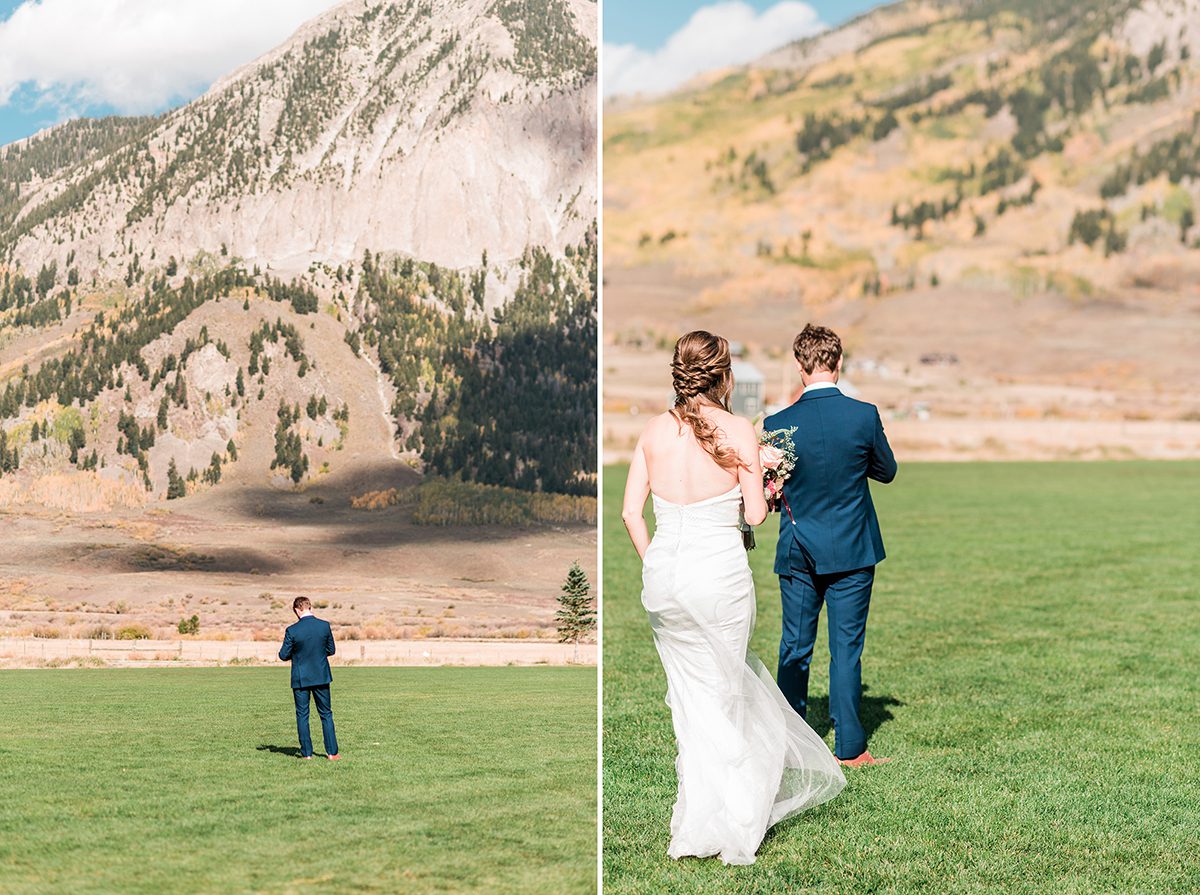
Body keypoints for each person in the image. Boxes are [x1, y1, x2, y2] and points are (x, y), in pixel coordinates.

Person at [622, 330, 844, 866]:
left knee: (692, 703)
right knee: (724, 695)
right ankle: (736, 819)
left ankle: (696, 824)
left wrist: (656, 563)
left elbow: (631, 513)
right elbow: (753, 515)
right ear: (723, 376)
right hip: (717, 578)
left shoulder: (653, 430)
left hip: (664, 582)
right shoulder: (738, 430)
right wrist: (766, 481)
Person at [763, 323, 897, 767]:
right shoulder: (864, 415)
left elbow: (771, 487)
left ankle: (788, 744)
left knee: (794, 648)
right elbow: (887, 470)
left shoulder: (776, 425)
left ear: (800, 368)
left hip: (798, 551)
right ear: (838, 364)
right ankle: (851, 748)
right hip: (854, 550)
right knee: (846, 650)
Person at [278, 596, 340, 761]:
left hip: (300, 678)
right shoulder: (324, 626)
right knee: (326, 714)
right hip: (321, 675)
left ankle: (306, 754)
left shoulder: (292, 630)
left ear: (297, 610)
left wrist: (298, 655)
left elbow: (283, 655)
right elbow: (331, 650)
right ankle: (332, 753)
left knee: (302, 715)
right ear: (309, 607)